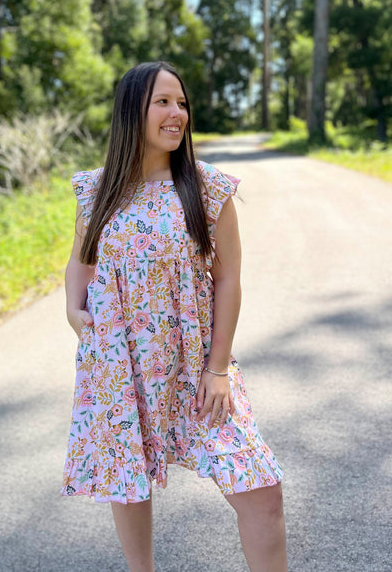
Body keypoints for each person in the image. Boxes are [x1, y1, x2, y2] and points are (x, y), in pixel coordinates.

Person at [62, 61, 287, 572]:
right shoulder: (96, 191)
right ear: (131, 111)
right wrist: (76, 314)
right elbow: (81, 260)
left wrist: (219, 368)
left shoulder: (207, 189)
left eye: (181, 103)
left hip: (197, 365)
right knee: (129, 476)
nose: (177, 113)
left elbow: (229, 278)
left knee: (262, 489)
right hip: (123, 365)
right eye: (163, 101)